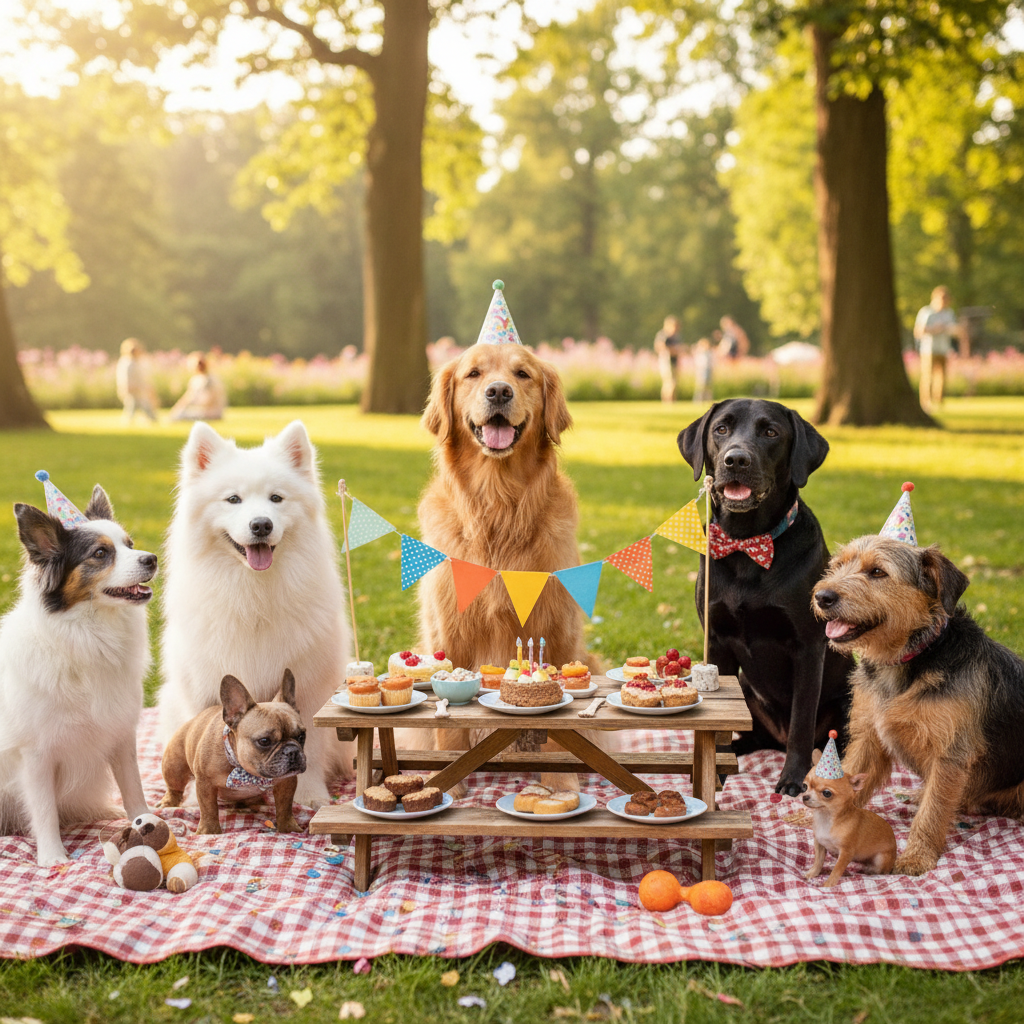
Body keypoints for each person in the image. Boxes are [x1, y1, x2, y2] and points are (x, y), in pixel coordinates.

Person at [914, 286, 961, 410]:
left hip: (943, 348)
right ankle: (926, 402)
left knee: (941, 377)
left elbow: (954, 330)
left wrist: (952, 329)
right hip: (929, 349)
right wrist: (935, 329)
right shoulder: (927, 312)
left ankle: (939, 401)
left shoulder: (949, 313)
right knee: (927, 376)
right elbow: (918, 331)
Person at [169, 351, 227, 422]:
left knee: (180, 415)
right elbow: (188, 398)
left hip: (211, 413)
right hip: (207, 411)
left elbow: (208, 400)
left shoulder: (209, 380)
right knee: (179, 414)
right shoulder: (198, 379)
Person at [115, 338, 158, 423]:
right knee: (132, 408)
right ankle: (128, 421)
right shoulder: (126, 363)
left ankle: (149, 419)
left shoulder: (140, 362)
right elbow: (125, 380)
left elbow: (144, 378)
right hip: (132, 392)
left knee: (144, 408)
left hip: (140, 392)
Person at [654, 315, 684, 403]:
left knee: (674, 382)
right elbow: (660, 347)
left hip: (674, 361)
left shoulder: (676, 336)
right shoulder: (664, 335)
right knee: (669, 382)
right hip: (666, 361)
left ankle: (672, 401)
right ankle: (667, 401)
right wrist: (673, 350)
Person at [692, 337, 714, 404]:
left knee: (708, 387)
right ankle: (698, 400)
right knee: (701, 387)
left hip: (708, 371)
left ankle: (708, 400)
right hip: (702, 371)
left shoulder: (709, 353)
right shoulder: (700, 354)